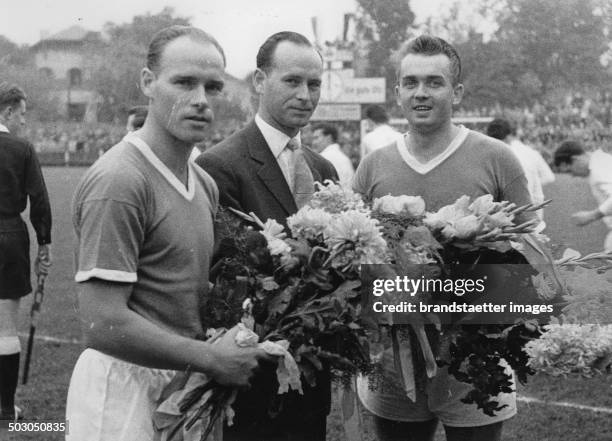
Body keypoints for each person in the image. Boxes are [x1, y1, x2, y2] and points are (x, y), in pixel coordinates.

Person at [66, 26, 273, 441]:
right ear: (148, 83)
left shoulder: (203, 181)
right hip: (121, 387)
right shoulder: (120, 180)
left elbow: (191, 293)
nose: (200, 99)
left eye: (212, 87)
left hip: (182, 382)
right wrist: (212, 358)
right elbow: (102, 323)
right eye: (183, 82)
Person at [353, 35, 533, 441]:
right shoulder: (373, 165)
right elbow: (354, 261)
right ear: (397, 91)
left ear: (457, 91)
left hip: (474, 359)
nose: (421, 93)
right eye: (410, 82)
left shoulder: (497, 157)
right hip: (394, 359)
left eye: (434, 82)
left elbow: (532, 251)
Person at [196, 31, 337, 441]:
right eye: (292, 81)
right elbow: (225, 281)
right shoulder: (220, 165)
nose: (305, 95)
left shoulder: (323, 168)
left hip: (314, 372)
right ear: (260, 81)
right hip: (252, 378)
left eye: (314, 84)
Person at [0, 83, 52, 422]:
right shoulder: (21, 148)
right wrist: (44, 244)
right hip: (8, 237)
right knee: (4, 328)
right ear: (7, 112)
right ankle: (5, 408)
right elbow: (40, 199)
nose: (24, 121)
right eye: (22, 114)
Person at [486, 118, 555, 227]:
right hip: (533, 218)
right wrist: (530, 184)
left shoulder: (492, 156)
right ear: (509, 135)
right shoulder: (530, 152)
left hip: (507, 221)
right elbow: (549, 177)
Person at [554, 140, 612, 252]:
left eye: (570, 170)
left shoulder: (598, 169)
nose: (573, 175)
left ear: (575, 159)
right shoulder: (602, 160)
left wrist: (592, 215)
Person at [311, 123, 354, 187]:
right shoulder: (344, 157)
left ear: (328, 138)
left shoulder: (322, 158)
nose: (313, 142)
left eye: (316, 138)